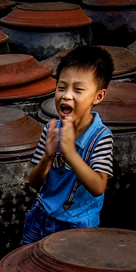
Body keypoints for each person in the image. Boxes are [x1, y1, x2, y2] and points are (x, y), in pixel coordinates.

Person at [21, 45, 115, 245]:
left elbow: (99, 186)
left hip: (77, 227)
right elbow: (34, 183)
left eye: (78, 90)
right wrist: (47, 156)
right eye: (61, 87)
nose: (67, 96)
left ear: (98, 96)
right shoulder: (52, 129)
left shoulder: (100, 137)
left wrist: (71, 153)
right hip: (41, 216)